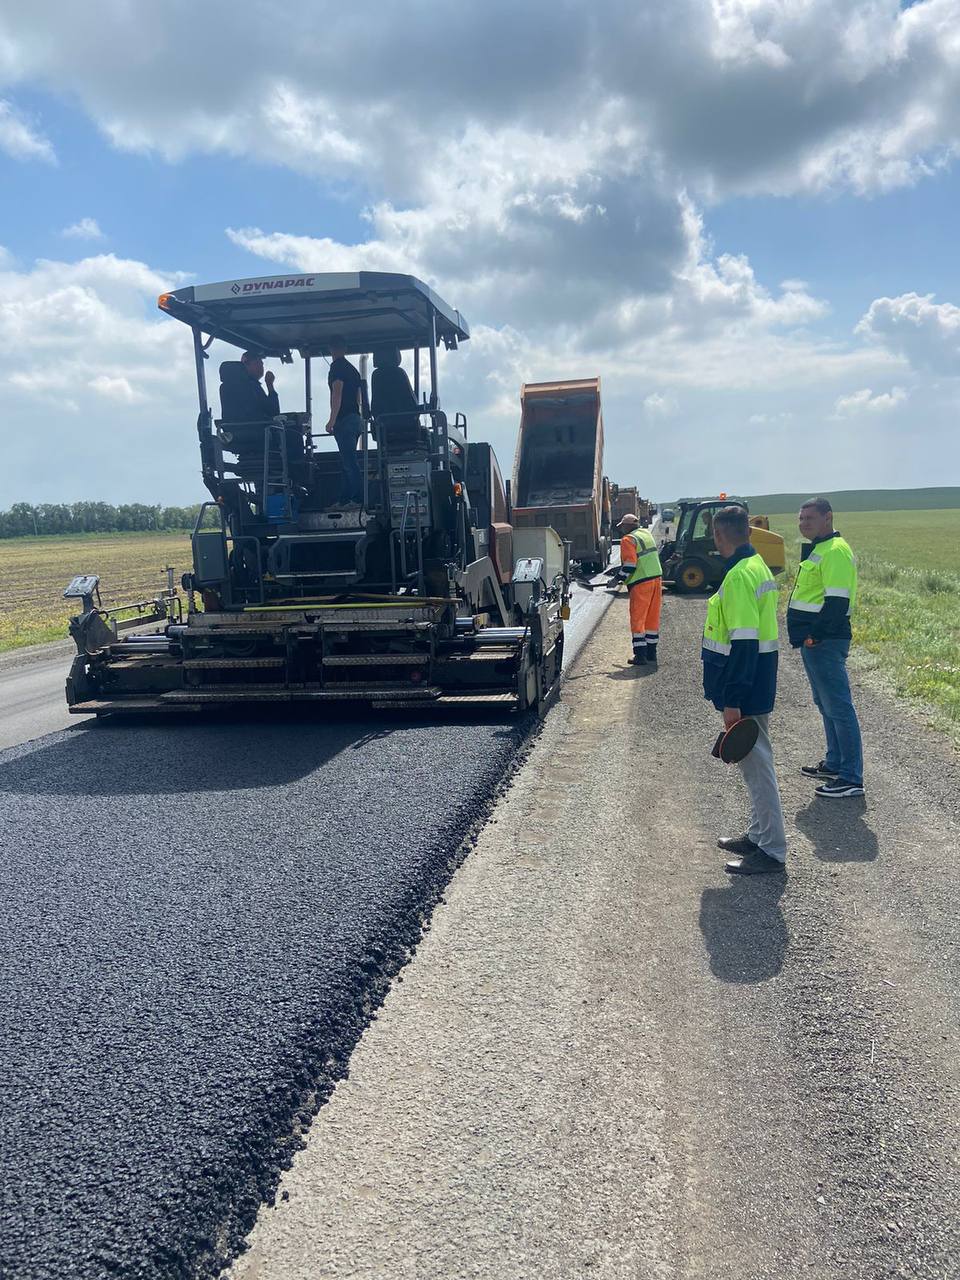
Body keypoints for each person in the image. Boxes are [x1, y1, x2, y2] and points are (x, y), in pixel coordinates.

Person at [704, 505, 786, 875]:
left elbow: (743, 643)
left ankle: (772, 849)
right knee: (756, 763)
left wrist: (732, 699)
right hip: (760, 677)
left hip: (746, 685)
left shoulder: (739, 576)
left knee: (757, 767)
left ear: (719, 535)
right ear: (747, 532)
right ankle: (757, 835)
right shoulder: (758, 567)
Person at [788, 497, 864, 798]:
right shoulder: (821, 548)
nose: (803, 523)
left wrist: (815, 635)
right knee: (826, 704)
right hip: (817, 641)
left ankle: (850, 777)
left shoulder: (835, 551)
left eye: (810, 518)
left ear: (828, 517)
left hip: (825, 640)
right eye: (801, 518)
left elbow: (837, 602)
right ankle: (835, 763)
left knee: (839, 707)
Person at [617, 512, 662, 666]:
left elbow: (630, 564)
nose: (621, 529)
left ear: (627, 526)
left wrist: (617, 579)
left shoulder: (627, 539)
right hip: (656, 580)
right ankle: (651, 654)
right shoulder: (645, 534)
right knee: (652, 618)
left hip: (641, 583)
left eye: (622, 526)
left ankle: (640, 656)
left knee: (638, 619)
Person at [324, 336, 365, 508]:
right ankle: (345, 499)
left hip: (345, 420)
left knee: (349, 462)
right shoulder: (353, 370)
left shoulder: (337, 367)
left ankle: (358, 499)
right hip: (356, 419)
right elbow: (358, 398)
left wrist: (331, 420)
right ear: (345, 348)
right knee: (347, 461)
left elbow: (337, 392)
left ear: (331, 350)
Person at [219, 351, 279, 423]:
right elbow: (273, 412)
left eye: (261, 364)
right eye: (258, 363)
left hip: (234, 432)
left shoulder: (226, 387)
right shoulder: (251, 386)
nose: (261, 367)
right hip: (257, 431)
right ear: (245, 365)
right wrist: (270, 385)